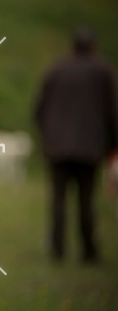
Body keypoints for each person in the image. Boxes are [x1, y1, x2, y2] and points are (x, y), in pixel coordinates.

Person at [34, 27, 117, 263]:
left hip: (57, 147)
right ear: (93, 48)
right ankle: (89, 252)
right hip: (89, 148)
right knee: (87, 200)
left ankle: (57, 251)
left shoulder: (56, 70)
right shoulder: (103, 71)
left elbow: (39, 110)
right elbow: (113, 112)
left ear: (72, 47)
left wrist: (48, 136)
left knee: (58, 200)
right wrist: (113, 146)